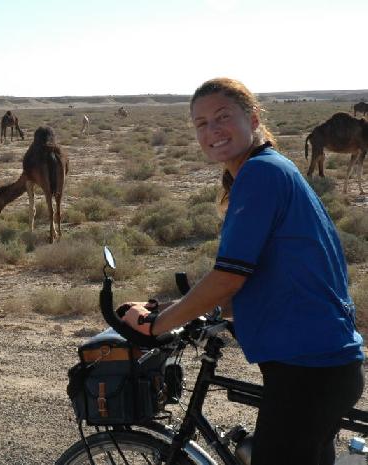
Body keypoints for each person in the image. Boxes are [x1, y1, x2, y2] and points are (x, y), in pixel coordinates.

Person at [120, 77, 364, 465]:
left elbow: (227, 278)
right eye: (201, 123)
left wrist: (158, 324)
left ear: (252, 118)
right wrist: (174, 307)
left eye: (222, 116)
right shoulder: (270, 168)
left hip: (307, 369)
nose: (212, 130)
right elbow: (263, 283)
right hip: (320, 364)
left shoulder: (260, 175)